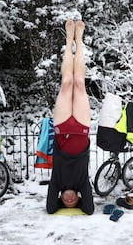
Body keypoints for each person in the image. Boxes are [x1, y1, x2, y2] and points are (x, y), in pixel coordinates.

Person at [46, 19, 94, 215]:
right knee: (79, 83)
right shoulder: (82, 183)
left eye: (66, 202)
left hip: (62, 128)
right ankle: (79, 41)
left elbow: (50, 208)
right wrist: (81, 203)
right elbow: (90, 209)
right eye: (73, 202)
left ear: (61, 199)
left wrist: (57, 203)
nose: (69, 199)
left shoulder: (57, 181)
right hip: (81, 130)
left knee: (67, 82)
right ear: (78, 198)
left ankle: (68, 41)